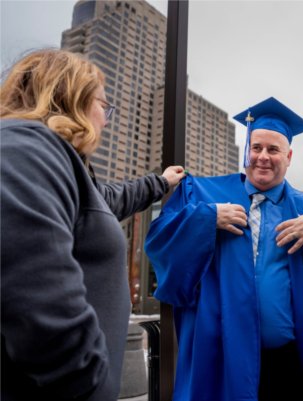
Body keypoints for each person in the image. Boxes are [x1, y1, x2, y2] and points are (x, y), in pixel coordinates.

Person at [145, 96, 303, 401]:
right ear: (246, 151)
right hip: (223, 358)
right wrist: (207, 218)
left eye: (273, 150)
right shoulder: (205, 194)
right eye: (256, 148)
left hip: (291, 358)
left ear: (289, 156)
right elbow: (159, 238)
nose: (263, 157)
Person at [0, 49, 186, 401]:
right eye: (104, 105)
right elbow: (37, 305)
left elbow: (106, 201)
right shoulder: (25, 149)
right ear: (73, 98)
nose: (106, 119)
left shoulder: (56, 162)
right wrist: (88, 382)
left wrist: (160, 183)